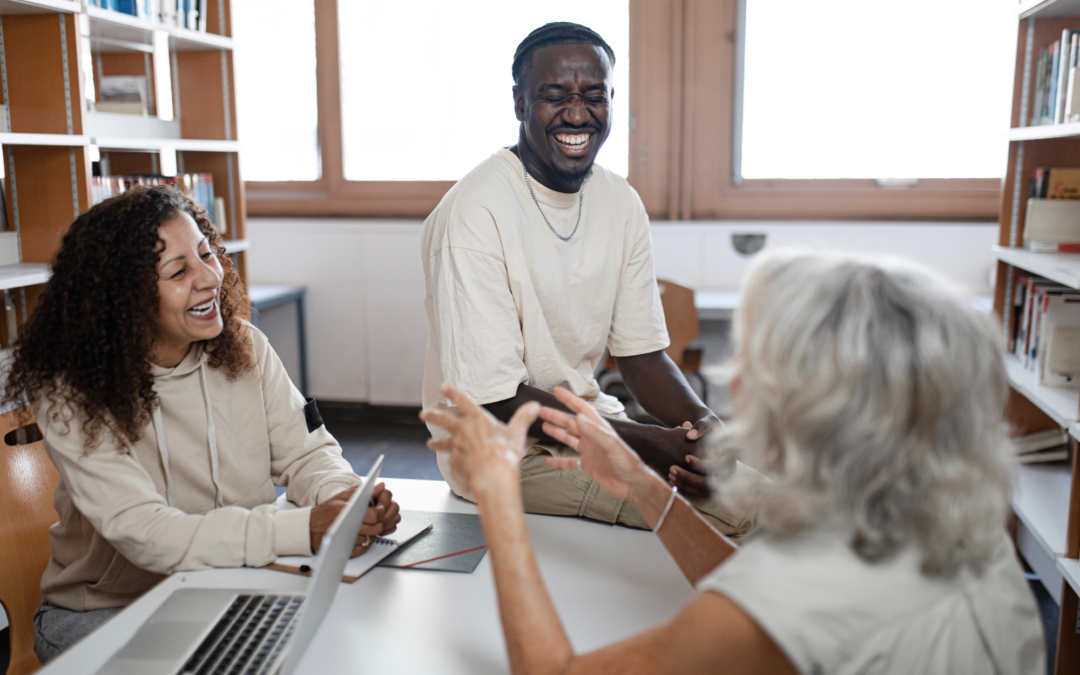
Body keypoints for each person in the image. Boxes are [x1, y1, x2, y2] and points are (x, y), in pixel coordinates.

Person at [422, 250, 1045, 674]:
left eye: (756, 360)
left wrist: (499, 493)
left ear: (813, 405)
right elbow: (751, 598)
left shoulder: (812, 589)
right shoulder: (946, 522)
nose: (735, 378)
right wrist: (648, 491)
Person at [4, 186, 401, 664]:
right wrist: (304, 529)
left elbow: (308, 453)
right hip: (106, 609)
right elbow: (147, 532)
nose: (209, 277)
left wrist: (344, 503)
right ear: (121, 298)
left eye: (206, 254)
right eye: (178, 271)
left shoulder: (245, 347)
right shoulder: (73, 389)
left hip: (233, 580)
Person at [421, 21, 748, 533]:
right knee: (742, 519)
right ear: (520, 103)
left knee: (772, 500)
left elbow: (642, 356)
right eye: (555, 97)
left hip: (596, 426)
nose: (577, 114)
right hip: (501, 455)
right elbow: (496, 399)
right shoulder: (474, 212)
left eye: (594, 96)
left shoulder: (620, 201)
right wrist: (648, 445)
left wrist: (704, 426)